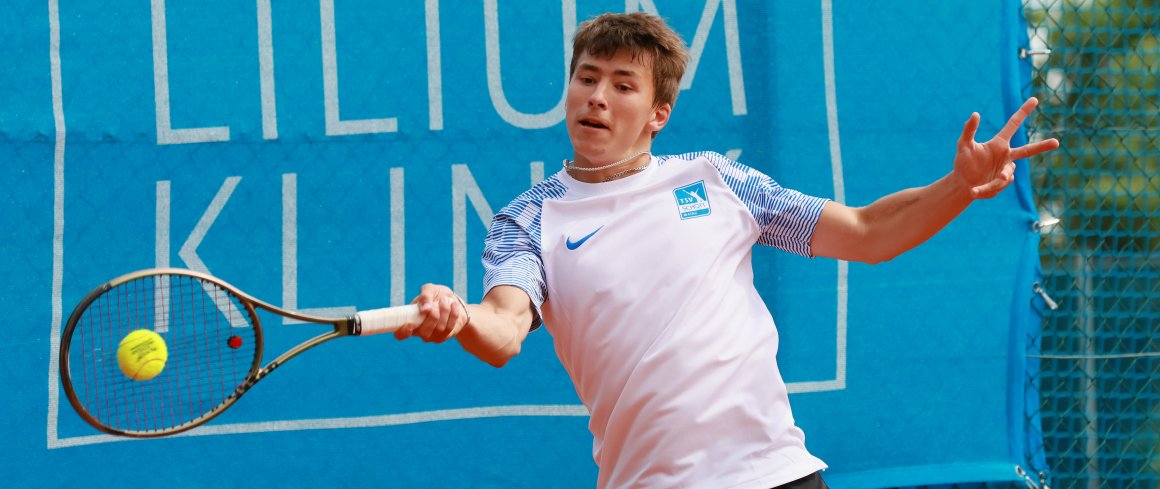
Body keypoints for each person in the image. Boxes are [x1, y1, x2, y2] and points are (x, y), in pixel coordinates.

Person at [393, 12, 1059, 489]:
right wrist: (458, 315)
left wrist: (960, 185)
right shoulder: (529, 219)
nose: (597, 96)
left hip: (776, 474)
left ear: (659, 113)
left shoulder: (717, 180)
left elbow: (864, 232)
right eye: (587, 78)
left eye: (623, 85)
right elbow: (504, 327)